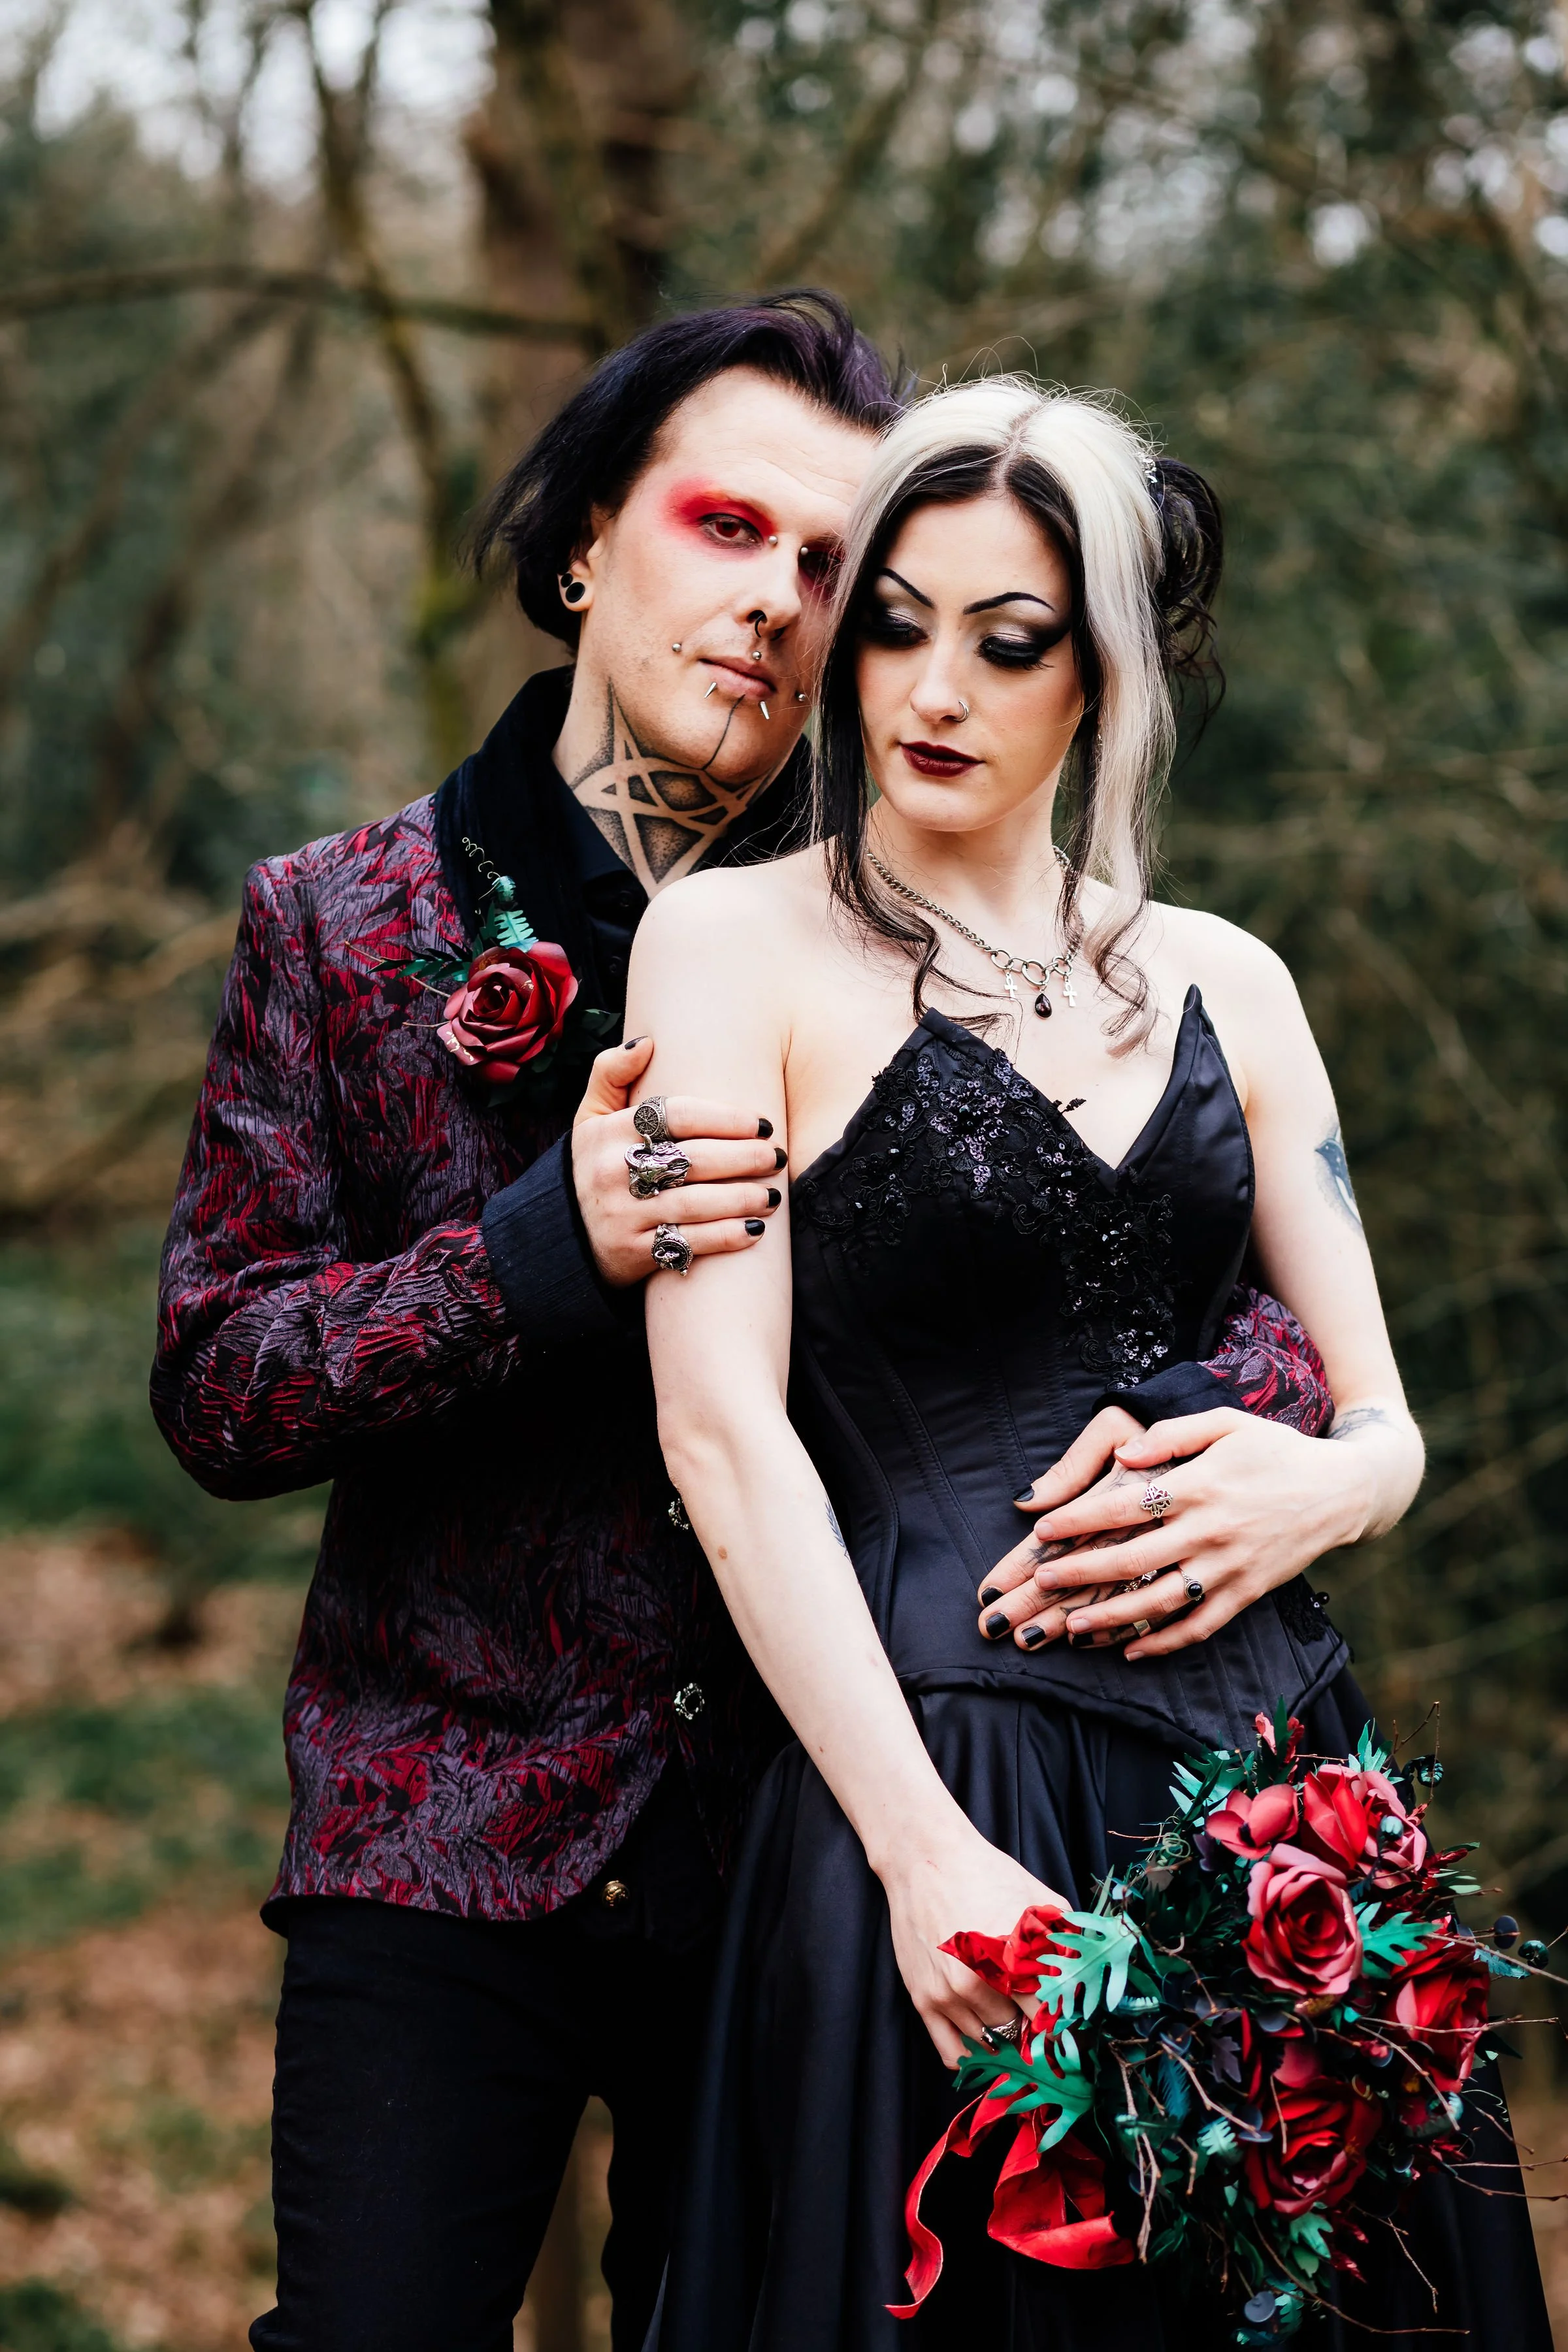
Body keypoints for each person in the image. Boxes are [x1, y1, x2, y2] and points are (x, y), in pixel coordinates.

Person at [154, 294, 1340, 2352]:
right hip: (444, 1833)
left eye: (829, 565)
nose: (780, 605)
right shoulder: (340, 924)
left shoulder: (921, 893)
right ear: (589, 540)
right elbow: (221, 1382)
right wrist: (530, 1253)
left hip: (816, 1818)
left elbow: (1135, 1227)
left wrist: (1238, 1437)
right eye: (724, 528)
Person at [630, 378, 1550, 2349]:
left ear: (1106, 677)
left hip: (1283, 1795)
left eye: (1007, 640)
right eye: (895, 623)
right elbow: (723, 1437)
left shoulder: (1235, 978)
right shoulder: (735, 950)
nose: (933, 687)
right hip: (947, 1782)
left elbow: (1388, 1422)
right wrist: (916, 1849)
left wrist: (1329, 1481)